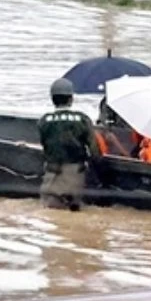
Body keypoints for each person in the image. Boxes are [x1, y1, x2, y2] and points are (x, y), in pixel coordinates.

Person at [38, 78, 99, 210]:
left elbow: (45, 147)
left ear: (52, 99)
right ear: (71, 99)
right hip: (76, 176)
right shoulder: (82, 119)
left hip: (52, 175)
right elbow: (94, 151)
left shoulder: (44, 121)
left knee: (51, 213)